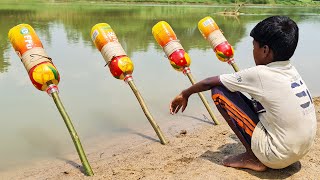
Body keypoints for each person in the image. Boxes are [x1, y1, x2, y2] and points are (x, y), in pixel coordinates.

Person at [169, 16, 317, 172]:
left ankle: (253, 158)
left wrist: (185, 94)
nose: (253, 52)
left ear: (265, 50)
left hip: (277, 156)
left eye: (254, 47)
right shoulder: (291, 70)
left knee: (219, 91)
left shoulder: (261, 74)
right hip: (300, 151)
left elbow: (210, 82)